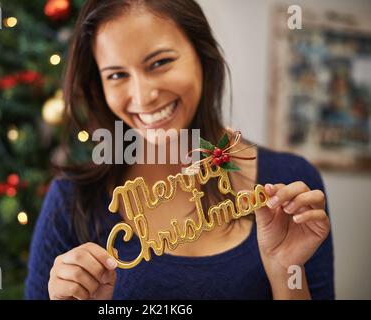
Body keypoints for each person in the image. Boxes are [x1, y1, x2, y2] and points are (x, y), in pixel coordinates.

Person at [25, 0, 334, 300]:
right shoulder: (71, 201)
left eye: (160, 62)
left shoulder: (293, 185)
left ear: (202, 55)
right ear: (99, 85)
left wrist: (286, 272)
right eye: (117, 75)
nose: (143, 97)